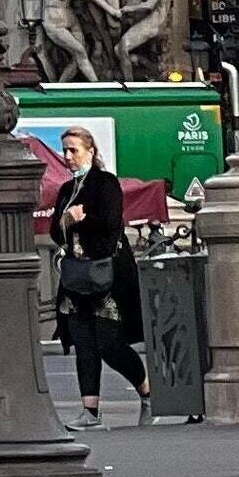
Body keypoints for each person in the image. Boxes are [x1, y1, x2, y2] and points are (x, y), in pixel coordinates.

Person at [50, 127, 149, 423]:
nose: (67, 156)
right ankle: (90, 411)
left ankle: (147, 392)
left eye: (73, 150)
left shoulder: (105, 183)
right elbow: (57, 232)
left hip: (108, 277)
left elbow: (109, 222)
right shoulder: (66, 190)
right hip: (76, 279)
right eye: (64, 150)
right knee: (83, 343)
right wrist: (67, 220)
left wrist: (79, 222)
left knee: (109, 343)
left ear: (90, 152)